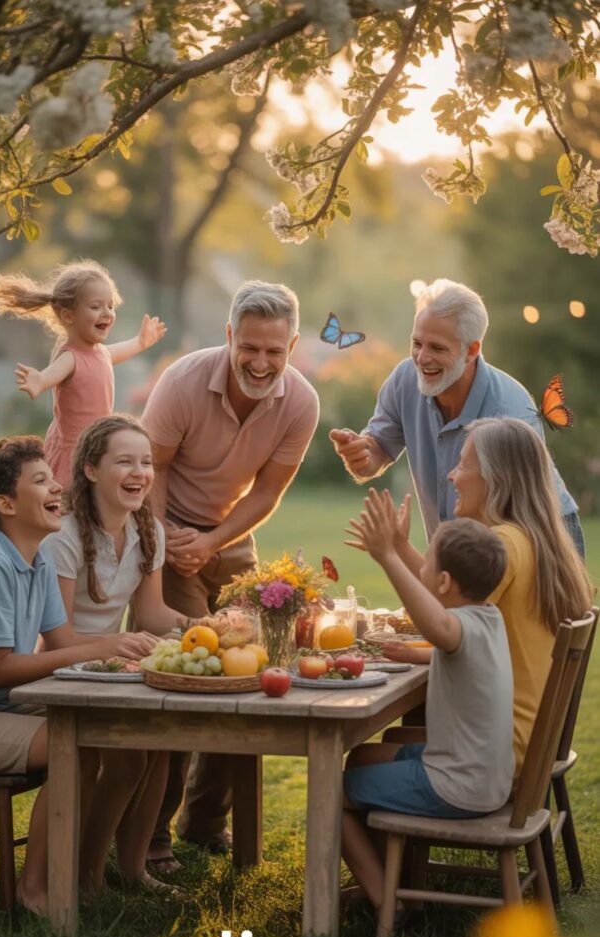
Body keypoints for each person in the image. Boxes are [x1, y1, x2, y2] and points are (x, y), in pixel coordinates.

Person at [0, 437, 152, 914]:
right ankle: (37, 890)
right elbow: (0, 669)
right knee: (76, 744)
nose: (57, 486)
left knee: (118, 733)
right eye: (41, 480)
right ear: (6, 504)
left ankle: (82, 873)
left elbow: (62, 642)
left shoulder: (39, 555)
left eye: (53, 476)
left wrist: (120, 659)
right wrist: (105, 645)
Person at [141, 279, 319, 872]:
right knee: (182, 679)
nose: (261, 362)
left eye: (275, 350)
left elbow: (268, 490)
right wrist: (168, 541)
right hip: (165, 527)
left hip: (232, 535)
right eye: (250, 348)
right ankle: (152, 837)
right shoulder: (183, 382)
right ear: (229, 337)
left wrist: (215, 540)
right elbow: (151, 468)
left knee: (247, 670)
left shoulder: (301, 402)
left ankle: (205, 821)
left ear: (292, 345)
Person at [382, 418, 593, 775]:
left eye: (463, 464)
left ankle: (411, 826)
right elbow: (446, 592)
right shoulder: (534, 540)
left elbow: (438, 607)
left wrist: (390, 553)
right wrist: (401, 545)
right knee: (390, 744)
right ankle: (417, 830)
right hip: (528, 743)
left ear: (497, 478)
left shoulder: (505, 546)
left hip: (497, 749)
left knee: (358, 770)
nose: (452, 476)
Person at [341, 492, 514, 910]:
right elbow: (446, 628)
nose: (423, 567)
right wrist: (400, 545)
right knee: (362, 756)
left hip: (456, 785)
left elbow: (436, 622)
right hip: (486, 776)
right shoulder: (487, 615)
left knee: (330, 791)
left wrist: (387, 556)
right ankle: (387, 877)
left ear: (443, 584)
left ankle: (387, 902)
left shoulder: (452, 627)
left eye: (428, 562)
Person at [41, 414, 190, 893]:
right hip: (59, 673)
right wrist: (114, 645)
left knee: (160, 741)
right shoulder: (61, 536)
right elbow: (58, 639)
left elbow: (150, 615)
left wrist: (202, 627)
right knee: (128, 757)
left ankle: (131, 868)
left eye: (146, 463)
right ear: (89, 470)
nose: (140, 473)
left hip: (111, 667)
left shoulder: (150, 532)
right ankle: (86, 873)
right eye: (124, 462)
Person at [329, 278, 584, 556]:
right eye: (417, 343)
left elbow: (514, 517)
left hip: (538, 536)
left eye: (437, 348)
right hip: (465, 548)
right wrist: (362, 456)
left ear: (472, 350)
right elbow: (377, 448)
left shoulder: (508, 411)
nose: (422, 358)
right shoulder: (404, 380)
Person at [0, 259, 166, 489]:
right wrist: (39, 381)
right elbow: (53, 374)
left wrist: (140, 342)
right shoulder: (70, 356)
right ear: (69, 316)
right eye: (96, 307)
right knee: (69, 503)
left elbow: (115, 353)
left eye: (110, 306)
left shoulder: (98, 352)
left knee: (94, 499)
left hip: (96, 445)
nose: (107, 313)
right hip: (74, 450)